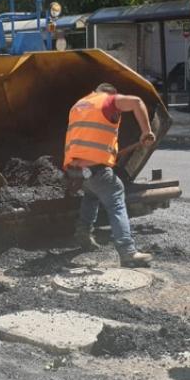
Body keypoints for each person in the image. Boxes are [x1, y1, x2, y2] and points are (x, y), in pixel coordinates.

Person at [64, 83, 156, 267]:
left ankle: (83, 234)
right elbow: (137, 102)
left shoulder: (79, 105)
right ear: (111, 93)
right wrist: (146, 131)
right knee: (116, 199)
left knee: (91, 195)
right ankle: (128, 252)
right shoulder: (109, 100)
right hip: (95, 169)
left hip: (75, 171)